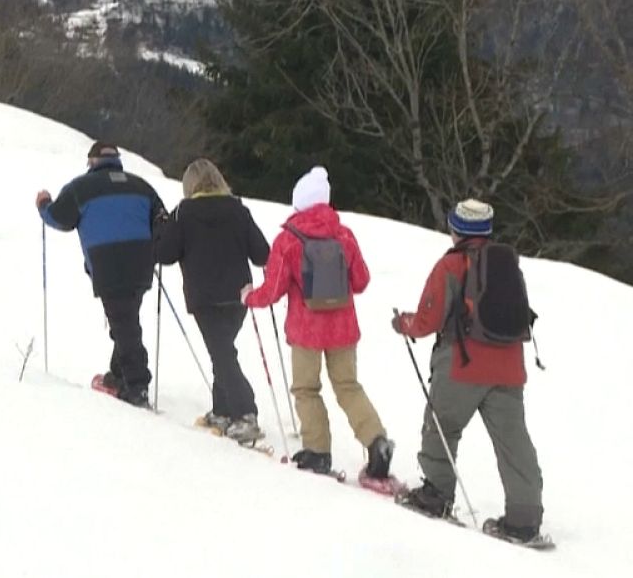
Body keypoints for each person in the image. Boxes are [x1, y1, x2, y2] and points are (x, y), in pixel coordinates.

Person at [392, 199, 544, 543]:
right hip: (508, 369)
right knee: (513, 441)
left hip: (463, 365)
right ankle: (524, 518)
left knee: (441, 428)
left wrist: (403, 324)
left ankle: (436, 495)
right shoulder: (506, 265)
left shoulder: (450, 266)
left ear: (456, 230)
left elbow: (428, 320)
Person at [241, 166, 393, 478]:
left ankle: (318, 451)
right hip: (343, 329)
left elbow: (272, 290)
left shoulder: (288, 239)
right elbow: (361, 281)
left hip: (306, 331)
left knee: (307, 389)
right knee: (348, 386)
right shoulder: (344, 235)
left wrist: (248, 297)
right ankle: (376, 441)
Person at [37, 142, 165, 408]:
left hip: (108, 263)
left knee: (124, 323)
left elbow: (59, 219)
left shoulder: (80, 188)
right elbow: (162, 220)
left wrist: (43, 204)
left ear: (92, 161)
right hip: (142, 262)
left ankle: (136, 385)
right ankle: (117, 376)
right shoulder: (141, 186)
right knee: (126, 319)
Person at [154, 158, 270, 441]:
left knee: (222, 354)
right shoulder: (238, 209)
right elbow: (262, 253)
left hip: (205, 297)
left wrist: (161, 229)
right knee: (223, 351)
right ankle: (223, 409)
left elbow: (165, 254)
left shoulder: (184, 213)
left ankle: (245, 412)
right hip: (239, 295)